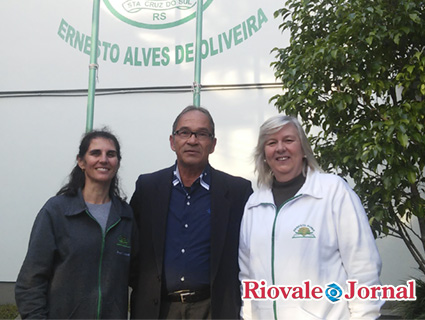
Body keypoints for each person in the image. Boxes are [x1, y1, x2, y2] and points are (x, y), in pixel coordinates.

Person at [239, 115, 384, 319]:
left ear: (303, 149)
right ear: (264, 154)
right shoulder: (254, 205)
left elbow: (363, 267)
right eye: (272, 143)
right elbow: (247, 277)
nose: (280, 148)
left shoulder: (332, 191)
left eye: (288, 140)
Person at [130, 106, 253, 319]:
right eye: (184, 132)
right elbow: (131, 246)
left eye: (202, 134)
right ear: (172, 141)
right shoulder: (148, 188)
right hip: (158, 309)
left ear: (213, 144)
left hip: (213, 309)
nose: (192, 140)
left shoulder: (237, 192)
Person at [15, 129, 136, 319]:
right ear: (81, 161)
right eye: (95, 153)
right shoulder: (57, 211)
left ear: (117, 163)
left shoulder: (125, 216)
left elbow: (136, 275)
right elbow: (30, 281)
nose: (103, 159)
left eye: (110, 154)